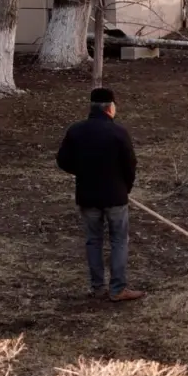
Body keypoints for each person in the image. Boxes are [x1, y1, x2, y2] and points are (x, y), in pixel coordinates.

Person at [56, 88, 143, 302]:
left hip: (87, 195)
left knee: (93, 241)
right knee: (119, 240)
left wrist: (83, 172)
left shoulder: (76, 131)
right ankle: (118, 289)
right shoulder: (118, 132)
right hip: (115, 196)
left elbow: (63, 160)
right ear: (110, 108)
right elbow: (130, 164)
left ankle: (97, 287)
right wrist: (125, 187)